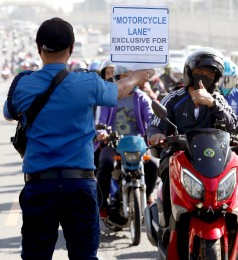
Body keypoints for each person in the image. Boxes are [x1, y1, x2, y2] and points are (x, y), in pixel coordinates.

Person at [3, 17, 148, 259]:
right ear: (71, 49)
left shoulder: (23, 85)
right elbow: (122, 89)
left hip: (39, 185)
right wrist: (137, 76)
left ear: (38, 48)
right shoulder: (88, 83)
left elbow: (9, 114)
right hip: (79, 186)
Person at [147, 47, 238, 228]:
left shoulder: (218, 99)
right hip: (178, 155)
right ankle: (166, 224)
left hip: (212, 158)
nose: (204, 76)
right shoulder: (173, 98)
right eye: (199, 72)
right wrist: (156, 134)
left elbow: (232, 124)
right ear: (189, 73)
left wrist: (211, 104)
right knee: (166, 175)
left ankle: (232, 225)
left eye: (210, 73)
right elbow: (155, 123)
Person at [95, 65, 158, 225]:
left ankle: (148, 194)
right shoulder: (108, 98)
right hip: (114, 143)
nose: (127, 82)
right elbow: (100, 121)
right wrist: (101, 133)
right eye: (122, 78)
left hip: (137, 144)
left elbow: (151, 119)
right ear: (116, 80)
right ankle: (102, 206)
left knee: (152, 166)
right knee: (105, 164)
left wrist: (155, 131)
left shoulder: (141, 98)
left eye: (129, 77)